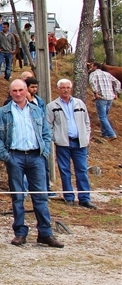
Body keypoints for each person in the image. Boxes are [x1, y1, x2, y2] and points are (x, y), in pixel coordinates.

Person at [0, 79, 63, 248]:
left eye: (20, 90)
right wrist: (6, 156)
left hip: (35, 156)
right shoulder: (3, 113)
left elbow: (46, 132)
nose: (17, 93)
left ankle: (45, 233)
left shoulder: (37, 111)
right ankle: (20, 232)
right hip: (15, 156)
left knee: (41, 196)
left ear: (26, 92)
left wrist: (44, 153)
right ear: (10, 93)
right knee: (18, 196)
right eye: (14, 91)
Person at [46, 79, 96, 209]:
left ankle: (85, 198)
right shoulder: (52, 106)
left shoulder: (79, 103)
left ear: (71, 88)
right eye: (63, 87)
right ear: (58, 89)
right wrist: (56, 138)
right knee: (65, 170)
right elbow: (48, 125)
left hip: (79, 143)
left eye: (68, 87)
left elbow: (86, 122)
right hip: (63, 143)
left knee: (82, 170)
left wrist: (86, 136)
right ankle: (69, 197)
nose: (66, 90)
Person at [88, 61, 121, 140]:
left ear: (95, 67)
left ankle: (111, 134)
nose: (91, 68)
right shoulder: (107, 74)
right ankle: (104, 133)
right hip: (110, 97)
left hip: (101, 97)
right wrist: (116, 92)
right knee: (104, 116)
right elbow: (117, 82)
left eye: (92, 66)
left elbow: (92, 83)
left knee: (102, 117)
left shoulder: (93, 74)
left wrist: (95, 92)